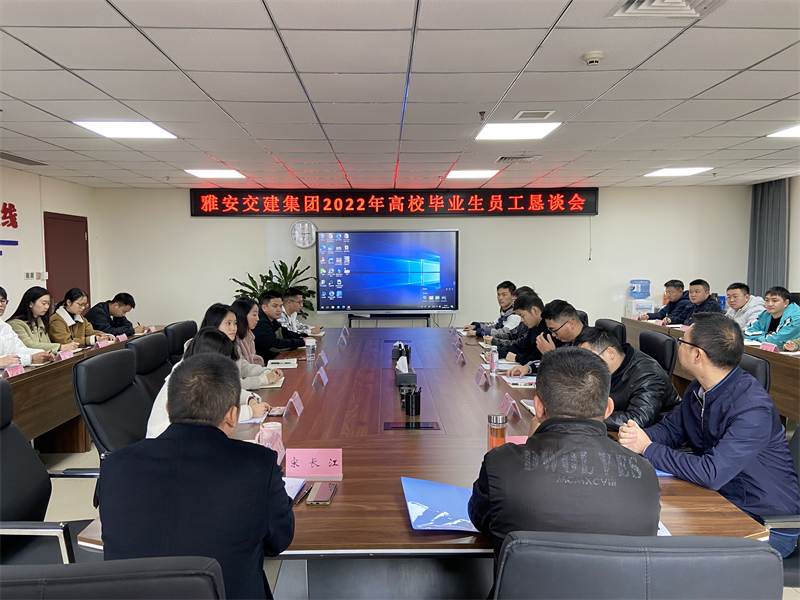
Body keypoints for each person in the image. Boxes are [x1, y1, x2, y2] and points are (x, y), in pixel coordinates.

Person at [98, 352, 295, 600]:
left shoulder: (114, 465)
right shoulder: (258, 464)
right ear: (232, 415)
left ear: (168, 409)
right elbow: (279, 541)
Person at [619, 313, 800, 559]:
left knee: (669, 556)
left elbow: (712, 473)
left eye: (682, 341)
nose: (678, 345)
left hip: (764, 521)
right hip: (721, 500)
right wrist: (634, 437)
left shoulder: (752, 408)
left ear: (697, 355)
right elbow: (672, 430)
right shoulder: (699, 388)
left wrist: (648, 448)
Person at [468, 347, 660, 567]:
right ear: (608, 409)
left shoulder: (500, 464)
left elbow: (483, 521)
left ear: (538, 407)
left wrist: (534, 444)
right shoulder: (644, 473)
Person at [146, 327, 271, 438]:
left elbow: (227, 390)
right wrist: (250, 411)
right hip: (165, 443)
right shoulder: (187, 379)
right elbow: (209, 417)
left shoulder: (202, 371)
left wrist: (249, 399)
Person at [575, 327, 680, 431]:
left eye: (590, 359)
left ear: (610, 352)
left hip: (657, 433)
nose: (586, 366)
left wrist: (591, 418)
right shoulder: (610, 367)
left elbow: (638, 419)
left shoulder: (648, 376)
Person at [200, 303, 281, 391]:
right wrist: (264, 379)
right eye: (228, 323)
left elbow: (245, 368)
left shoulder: (233, 347)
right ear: (214, 325)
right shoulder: (205, 351)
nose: (233, 328)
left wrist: (267, 371)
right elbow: (231, 384)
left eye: (235, 323)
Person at [506, 299, 583, 378]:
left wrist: (551, 354)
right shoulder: (567, 340)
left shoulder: (587, 344)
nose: (553, 335)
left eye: (554, 330)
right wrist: (528, 368)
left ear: (570, 324)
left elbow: (575, 375)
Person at [7, 286, 78, 353]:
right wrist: (59, 347)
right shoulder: (15, 324)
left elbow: (46, 343)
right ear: (31, 304)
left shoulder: (41, 321)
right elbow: (28, 345)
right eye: (43, 303)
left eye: (48, 304)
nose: (47, 307)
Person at [497, 291, 552, 371]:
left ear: (534, 310)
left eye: (522, 315)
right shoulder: (534, 327)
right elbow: (521, 347)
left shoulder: (549, 329)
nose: (521, 320)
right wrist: (498, 352)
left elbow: (538, 359)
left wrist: (517, 358)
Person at [0, 286, 53, 366]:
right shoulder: (15, 323)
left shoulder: (5, 327)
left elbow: (19, 348)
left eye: (3, 301)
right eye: (43, 303)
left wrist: (42, 354)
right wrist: (30, 359)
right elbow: (4, 361)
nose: (0, 304)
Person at [253, 291, 312, 362]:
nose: (279, 309)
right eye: (275, 306)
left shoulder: (272, 320)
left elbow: (285, 333)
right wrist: (302, 342)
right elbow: (275, 345)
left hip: (274, 359)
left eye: (281, 306)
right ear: (264, 308)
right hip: (265, 363)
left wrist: (304, 337)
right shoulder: (260, 322)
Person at [48, 288, 115, 346]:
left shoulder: (81, 318)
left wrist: (105, 336)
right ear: (68, 302)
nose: (83, 308)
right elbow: (66, 341)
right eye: (80, 304)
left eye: (85, 305)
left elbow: (90, 332)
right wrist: (92, 339)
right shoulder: (56, 320)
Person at [232, 297, 265, 366]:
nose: (258, 319)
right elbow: (243, 368)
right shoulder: (234, 338)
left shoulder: (249, 336)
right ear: (242, 314)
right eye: (254, 315)